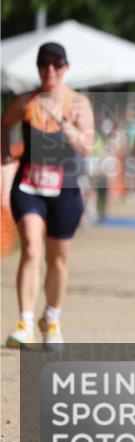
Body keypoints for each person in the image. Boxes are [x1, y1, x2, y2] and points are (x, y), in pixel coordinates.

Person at [1, 42, 95, 348]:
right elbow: (4, 125)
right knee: (30, 249)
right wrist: (5, 155)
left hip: (64, 190)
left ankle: (51, 319)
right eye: (43, 65)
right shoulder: (25, 102)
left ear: (66, 68)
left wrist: (65, 124)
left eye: (56, 65)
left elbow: (88, 147)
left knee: (58, 261)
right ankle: (25, 323)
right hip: (29, 186)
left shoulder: (78, 104)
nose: (49, 71)